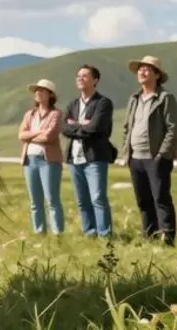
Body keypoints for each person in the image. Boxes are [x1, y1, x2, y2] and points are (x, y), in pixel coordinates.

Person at [119, 55, 177, 246]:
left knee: (161, 197)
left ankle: (168, 238)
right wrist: (126, 150)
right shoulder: (134, 98)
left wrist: (163, 154)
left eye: (147, 69)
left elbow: (173, 127)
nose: (142, 72)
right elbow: (127, 126)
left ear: (157, 75)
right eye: (140, 69)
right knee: (143, 200)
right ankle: (149, 235)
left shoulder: (165, 98)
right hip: (135, 157)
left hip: (156, 157)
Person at [61, 64, 117, 238]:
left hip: (95, 156)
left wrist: (75, 126)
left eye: (85, 76)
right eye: (78, 76)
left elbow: (95, 128)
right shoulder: (72, 104)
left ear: (95, 80)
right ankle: (89, 232)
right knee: (82, 200)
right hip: (74, 158)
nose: (80, 78)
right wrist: (82, 125)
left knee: (98, 198)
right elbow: (63, 128)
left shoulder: (103, 103)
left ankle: (104, 234)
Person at [17, 79, 64, 235]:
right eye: (36, 90)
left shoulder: (56, 114)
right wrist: (37, 133)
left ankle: (57, 232)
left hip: (48, 161)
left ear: (50, 94)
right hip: (30, 160)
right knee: (35, 201)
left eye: (42, 90)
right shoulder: (29, 114)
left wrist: (30, 136)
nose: (37, 93)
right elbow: (21, 135)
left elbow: (49, 137)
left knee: (52, 199)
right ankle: (39, 231)